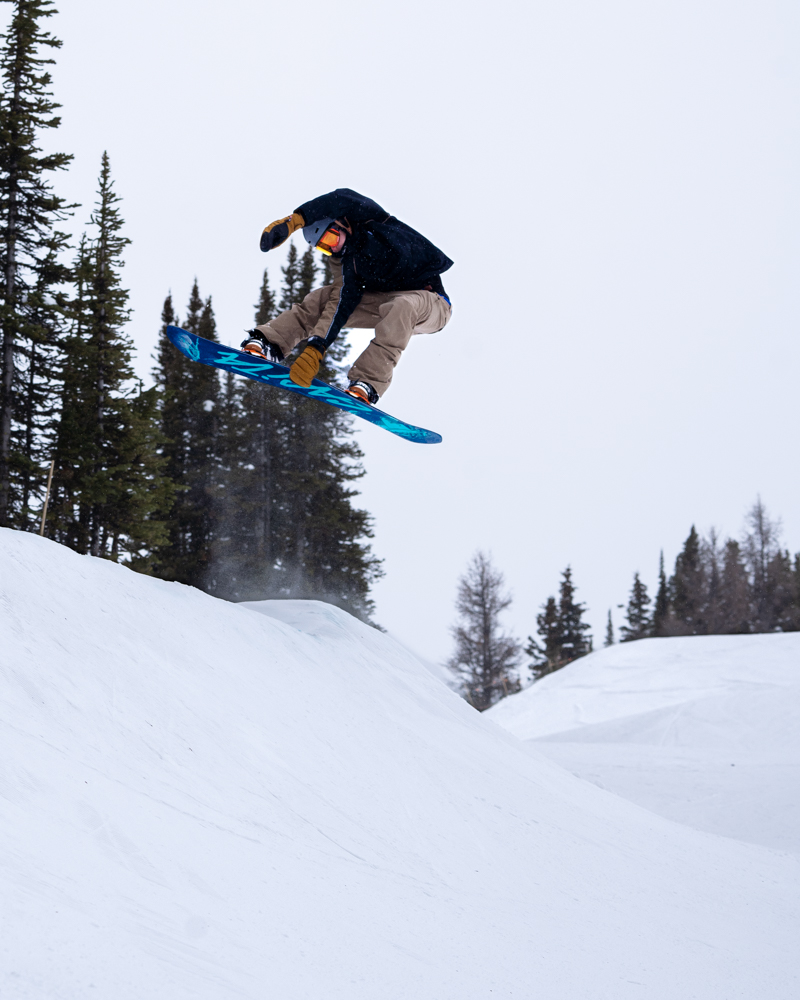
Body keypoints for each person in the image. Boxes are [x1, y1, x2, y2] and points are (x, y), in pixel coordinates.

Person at [241, 188, 453, 404]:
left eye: (331, 238)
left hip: (432, 303)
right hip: (386, 301)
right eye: (324, 247)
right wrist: (316, 347)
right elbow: (339, 304)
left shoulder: (372, 221)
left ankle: (368, 382)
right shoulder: (346, 263)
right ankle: (269, 342)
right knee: (322, 298)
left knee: (402, 305)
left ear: (342, 223)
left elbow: (341, 198)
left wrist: (297, 219)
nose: (333, 247)